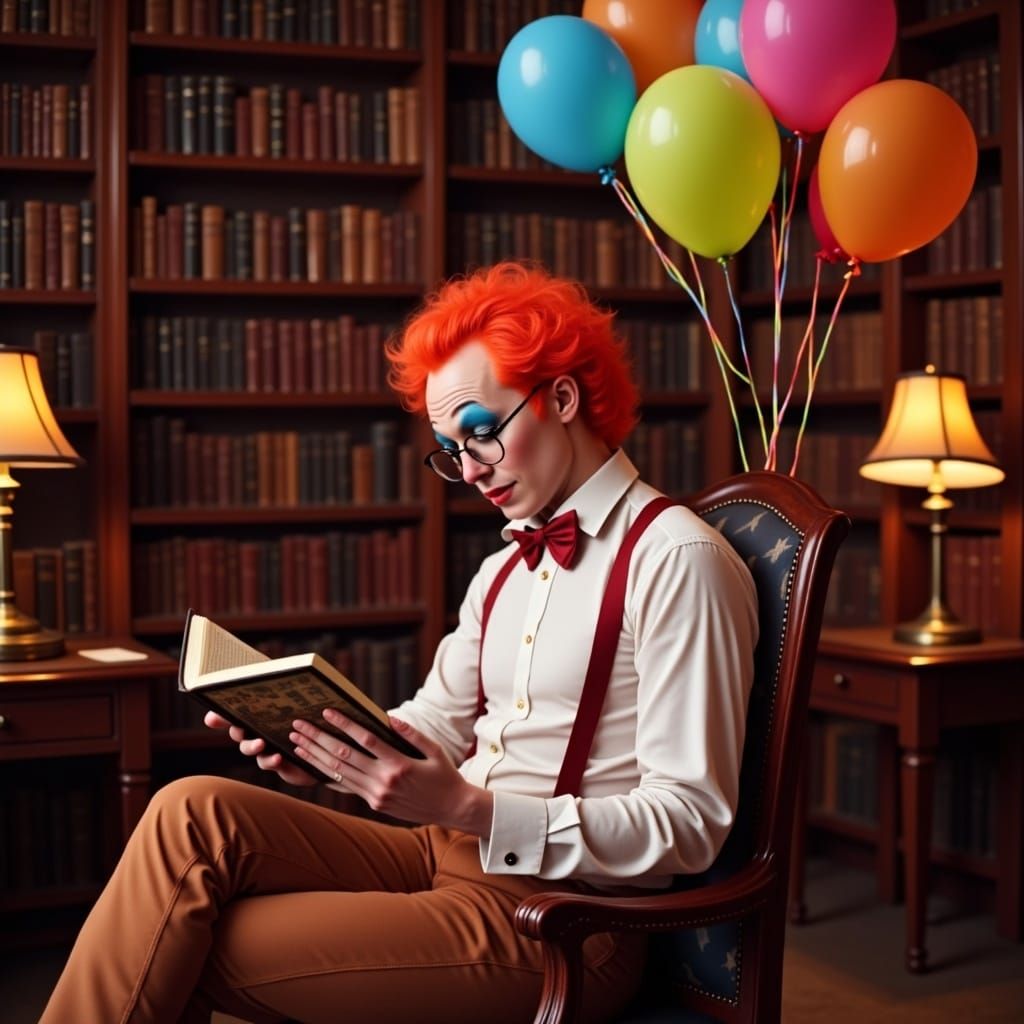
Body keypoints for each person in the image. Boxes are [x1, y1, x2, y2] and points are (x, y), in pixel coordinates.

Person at [42, 261, 758, 1024]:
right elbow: (435, 726)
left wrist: (476, 811)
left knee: (173, 941)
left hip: (567, 921)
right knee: (191, 811)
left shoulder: (678, 560)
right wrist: (318, 744)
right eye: (451, 448)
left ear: (562, 397)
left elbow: (691, 823)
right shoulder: (501, 568)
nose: (470, 470)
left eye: (481, 432)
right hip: (437, 853)